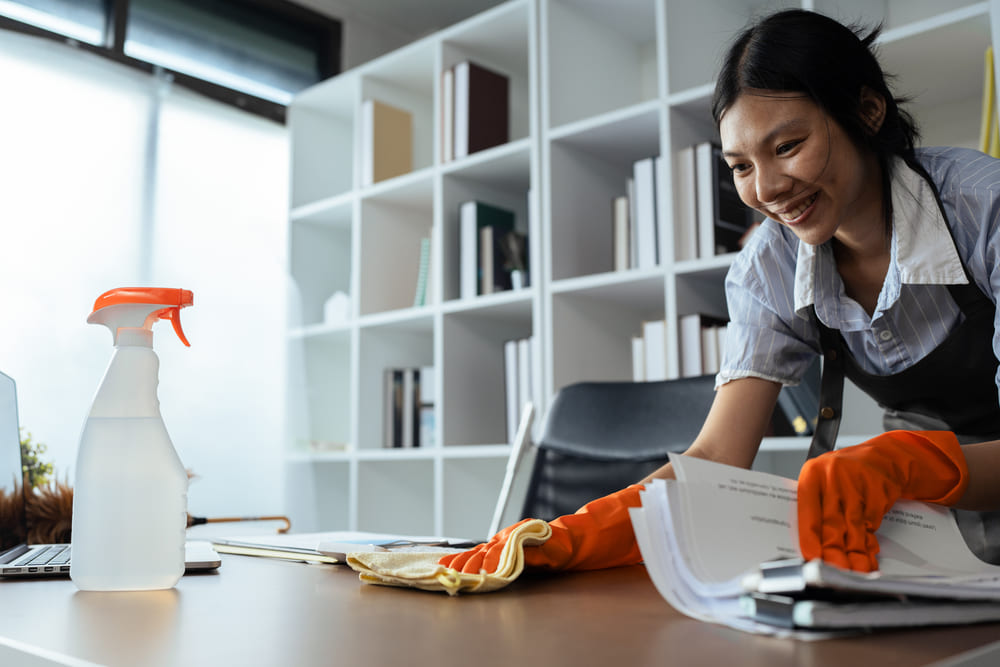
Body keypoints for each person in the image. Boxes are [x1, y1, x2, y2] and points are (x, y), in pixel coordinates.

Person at [440, 8, 1000, 577]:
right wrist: (572, 532)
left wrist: (907, 461)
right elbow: (715, 457)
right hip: (929, 527)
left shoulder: (983, 208)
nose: (767, 189)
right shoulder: (773, 261)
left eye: (787, 147)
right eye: (740, 166)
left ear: (868, 111)